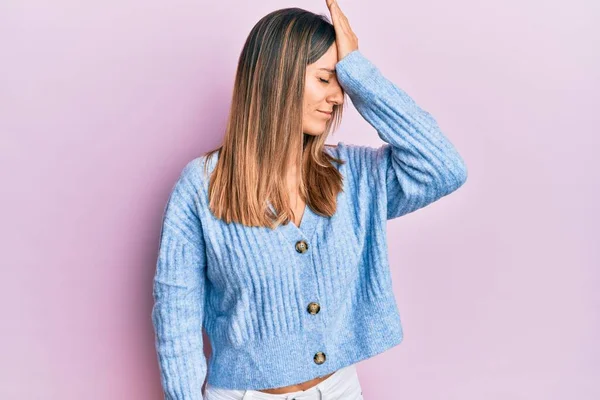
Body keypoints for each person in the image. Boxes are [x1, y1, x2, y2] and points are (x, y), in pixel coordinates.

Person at [151, 1, 468, 399]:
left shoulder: (352, 176)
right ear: (277, 79)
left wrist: (359, 73)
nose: (338, 97)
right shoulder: (202, 188)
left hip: (340, 390)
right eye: (325, 79)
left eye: (342, 82)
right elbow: (175, 320)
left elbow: (443, 168)